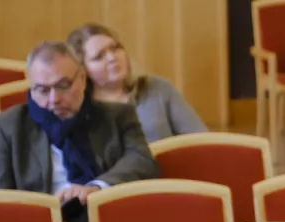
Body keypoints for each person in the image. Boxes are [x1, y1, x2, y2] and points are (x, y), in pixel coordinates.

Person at [0, 41, 158, 222]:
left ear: (82, 79)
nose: (54, 99)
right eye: (42, 90)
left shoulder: (116, 116)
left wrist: (96, 187)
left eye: (63, 86)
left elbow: (142, 160)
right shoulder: (9, 126)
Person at [67, 23, 207, 143]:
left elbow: (200, 139)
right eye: (99, 56)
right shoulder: (80, 108)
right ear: (82, 70)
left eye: (115, 48)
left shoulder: (157, 88)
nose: (112, 58)